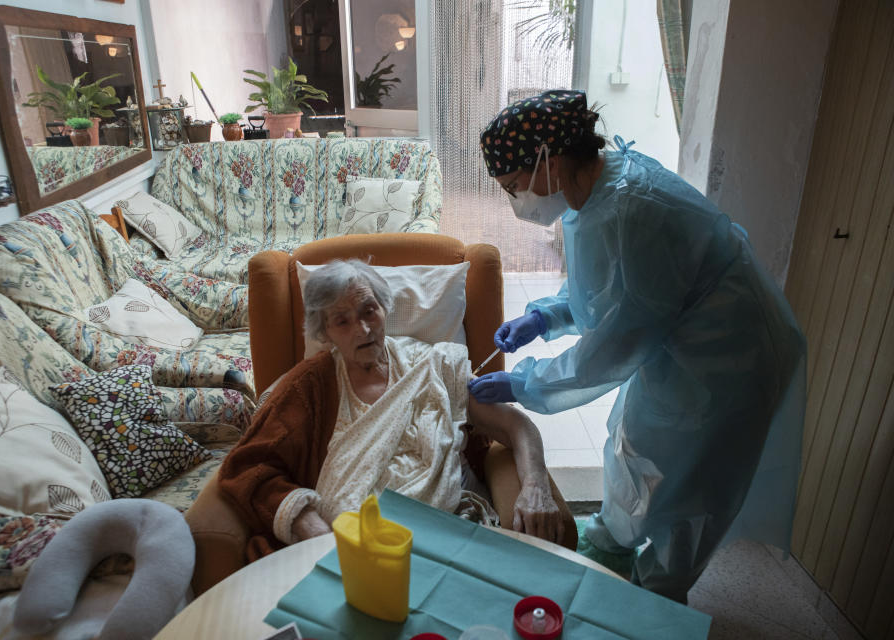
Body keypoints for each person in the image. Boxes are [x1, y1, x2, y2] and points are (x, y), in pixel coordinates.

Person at [468, 89, 806, 603]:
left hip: (727, 363)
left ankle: (654, 603)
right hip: (675, 345)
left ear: (549, 162)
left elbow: (613, 349)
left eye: (514, 187)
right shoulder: (593, 195)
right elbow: (605, 291)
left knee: (684, 494)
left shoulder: (635, 210)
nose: (515, 202)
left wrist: (525, 382)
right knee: (634, 445)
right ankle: (611, 547)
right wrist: (544, 315)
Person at [219, 259, 571, 562]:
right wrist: (314, 531)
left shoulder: (433, 365)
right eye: (342, 321)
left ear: (384, 307)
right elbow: (250, 467)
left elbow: (515, 426)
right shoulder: (308, 387)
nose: (364, 328)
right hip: (349, 551)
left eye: (368, 310)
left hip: (449, 535)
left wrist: (535, 485)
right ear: (324, 332)